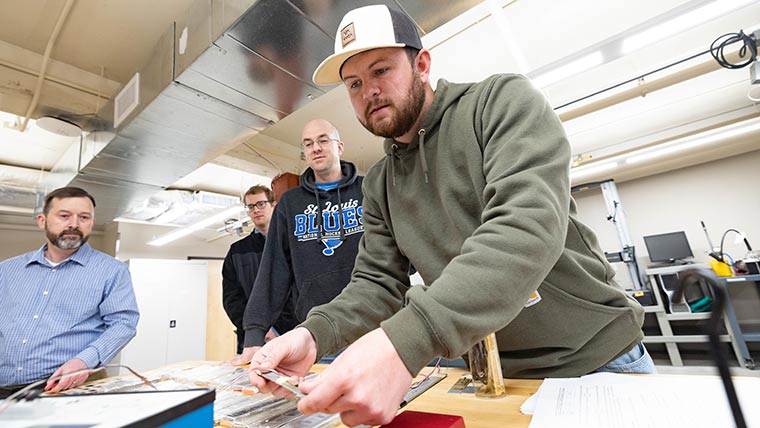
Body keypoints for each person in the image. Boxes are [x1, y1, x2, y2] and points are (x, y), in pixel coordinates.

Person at [248, 5, 654, 427]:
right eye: (354, 83)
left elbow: (525, 227)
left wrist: (402, 342)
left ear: (421, 64)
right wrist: (314, 335)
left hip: (597, 363)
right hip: (491, 379)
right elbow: (377, 282)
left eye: (381, 70)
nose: (368, 90)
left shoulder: (500, 104)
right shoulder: (381, 183)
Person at [233, 118, 365, 364]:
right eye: (308, 144)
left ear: (340, 146)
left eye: (323, 140)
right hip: (318, 333)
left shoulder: (368, 190)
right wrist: (253, 335)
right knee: (320, 403)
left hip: (371, 330)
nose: (316, 148)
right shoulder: (290, 204)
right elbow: (273, 269)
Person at [0, 187, 139, 398]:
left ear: (91, 223)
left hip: (69, 391)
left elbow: (123, 324)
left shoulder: (112, 271)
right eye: (64, 216)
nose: (74, 224)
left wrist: (85, 360)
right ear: (42, 220)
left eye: (84, 217)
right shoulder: (7, 270)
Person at [222, 185, 298, 355]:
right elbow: (232, 300)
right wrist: (257, 330)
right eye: (250, 206)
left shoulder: (293, 246)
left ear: (273, 205)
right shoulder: (237, 251)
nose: (256, 210)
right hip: (252, 343)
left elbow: (297, 290)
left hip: (291, 337)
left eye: (261, 204)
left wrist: (279, 330)